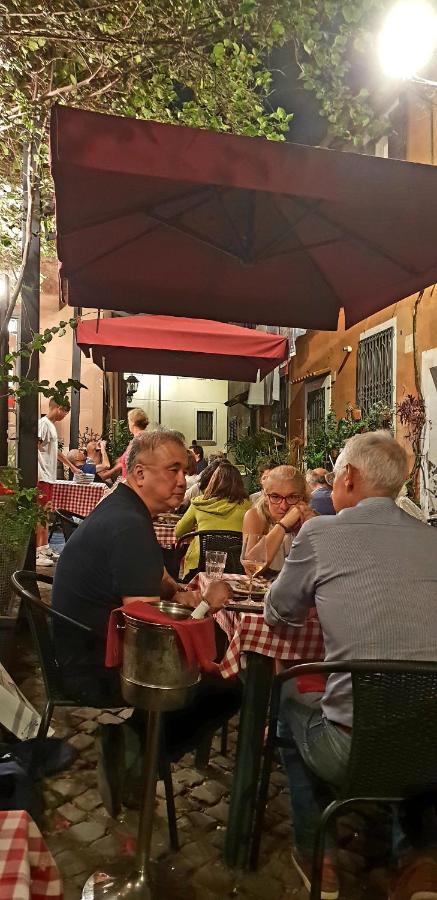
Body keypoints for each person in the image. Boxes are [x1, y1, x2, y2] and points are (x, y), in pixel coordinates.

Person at [264, 432, 437, 899]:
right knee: (417, 721)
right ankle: (420, 862)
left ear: (347, 476)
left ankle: (315, 851)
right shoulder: (433, 539)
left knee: (286, 694)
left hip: (350, 750)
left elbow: (278, 615)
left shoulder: (321, 532)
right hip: (432, 745)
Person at [52, 429, 240, 808]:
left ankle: (135, 746)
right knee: (231, 685)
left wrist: (181, 594)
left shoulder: (124, 508)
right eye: (172, 470)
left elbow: (153, 577)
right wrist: (205, 607)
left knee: (216, 657)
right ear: (139, 474)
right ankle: (131, 748)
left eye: (184, 471)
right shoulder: (129, 526)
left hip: (78, 646)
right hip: (93, 667)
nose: (182, 481)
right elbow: (148, 629)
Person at [175, 461, 251, 578]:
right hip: (236, 568)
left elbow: (178, 532)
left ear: (213, 482)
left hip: (199, 566)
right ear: (239, 483)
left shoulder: (199, 503)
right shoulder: (248, 506)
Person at [243, 465, 315, 574]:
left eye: (292, 497)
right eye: (275, 497)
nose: (284, 506)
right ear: (266, 497)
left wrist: (313, 527)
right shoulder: (255, 517)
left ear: (303, 498)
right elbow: (251, 569)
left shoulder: (310, 519)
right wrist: (283, 524)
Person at [37, 398, 82, 567]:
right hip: (42, 476)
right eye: (64, 411)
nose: (64, 415)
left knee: (46, 512)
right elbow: (35, 446)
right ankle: (38, 550)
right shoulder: (43, 423)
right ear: (56, 408)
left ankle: (44, 547)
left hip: (49, 476)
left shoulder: (51, 426)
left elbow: (56, 452)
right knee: (41, 513)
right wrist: (37, 472)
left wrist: (72, 467)